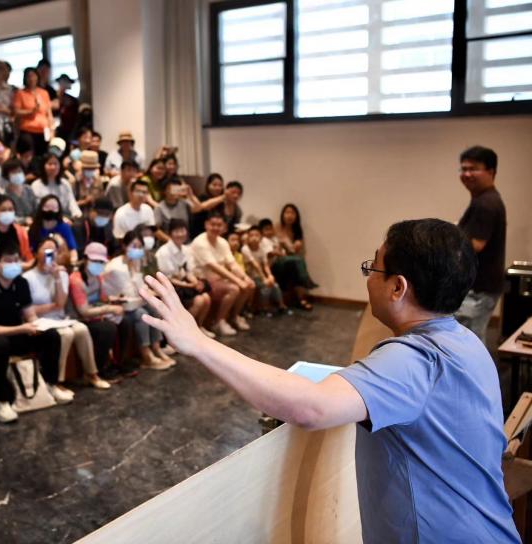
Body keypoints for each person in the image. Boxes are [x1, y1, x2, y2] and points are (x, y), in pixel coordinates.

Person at [138, 218, 520, 543]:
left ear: (397, 287)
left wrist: (198, 342)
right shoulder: (466, 341)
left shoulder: (414, 359)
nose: (368, 280)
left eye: (373, 269)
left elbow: (311, 407)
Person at [0, 238, 68, 424]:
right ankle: (1, 401)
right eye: (8, 261)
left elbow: (30, 315)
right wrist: (22, 328)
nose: (14, 265)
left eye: (16, 260)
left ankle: (51, 385)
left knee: (51, 336)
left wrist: (37, 326)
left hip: (14, 333)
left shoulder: (21, 283)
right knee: (0, 345)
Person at [24, 237, 111, 389]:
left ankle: (91, 373)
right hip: (39, 321)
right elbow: (28, 309)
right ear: (36, 253)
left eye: (53, 250)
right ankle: (57, 381)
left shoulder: (61, 274)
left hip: (60, 318)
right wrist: (51, 307)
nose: (49, 254)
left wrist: (57, 278)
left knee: (81, 329)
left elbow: (61, 303)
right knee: (66, 334)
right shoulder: (27, 278)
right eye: (45, 249)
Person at [454, 146, 506, 345]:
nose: (466, 174)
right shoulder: (483, 199)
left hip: (479, 289)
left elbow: (475, 244)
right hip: (481, 286)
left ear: (491, 171)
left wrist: (448, 237)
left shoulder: (485, 203)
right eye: (463, 169)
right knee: (468, 339)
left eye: (473, 169)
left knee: (468, 342)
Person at [103, 231, 176, 370]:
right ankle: (146, 355)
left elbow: (139, 287)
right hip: (117, 305)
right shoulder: (116, 267)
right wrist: (144, 294)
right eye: (134, 246)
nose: (137, 250)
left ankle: (156, 348)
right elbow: (128, 293)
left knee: (154, 308)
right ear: (124, 246)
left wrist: (150, 292)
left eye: (140, 246)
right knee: (141, 314)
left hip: (133, 303)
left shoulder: (135, 262)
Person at [191, 212, 255, 337]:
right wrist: (238, 281)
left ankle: (234, 317)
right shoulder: (200, 242)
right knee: (234, 288)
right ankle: (219, 322)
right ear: (206, 225)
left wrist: (245, 278)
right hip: (203, 280)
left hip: (220, 280)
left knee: (249, 285)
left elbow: (232, 264)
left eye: (219, 225)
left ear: (224, 227)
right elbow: (215, 267)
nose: (216, 228)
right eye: (213, 224)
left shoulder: (223, 242)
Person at [69, 243, 124, 380]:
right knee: (107, 328)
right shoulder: (76, 280)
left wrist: (115, 300)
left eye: (101, 262)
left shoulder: (98, 277)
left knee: (125, 321)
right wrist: (109, 309)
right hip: (80, 318)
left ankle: (118, 363)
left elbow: (102, 298)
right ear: (85, 259)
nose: (98, 264)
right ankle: (99, 369)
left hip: (97, 313)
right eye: (95, 260)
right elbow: (83, 311)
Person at [155, 218, 214, 338]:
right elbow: (168, 278)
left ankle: (198, 328)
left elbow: (188, 272)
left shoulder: (186, 249)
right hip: (171, 287)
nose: (180, 234)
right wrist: (189, 285)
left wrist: (195, 282)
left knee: (206, 298)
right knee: (199, 300)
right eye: (176, 231)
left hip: (185, 285)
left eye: (182, 230)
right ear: (170, 233)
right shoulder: (163, 252)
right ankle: (184, 332)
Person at [273, 203, 316, 311]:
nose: (289, 215)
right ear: (282, 214)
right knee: (299, 261)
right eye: (287, 212)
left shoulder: (297, 230)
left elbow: (293, 250)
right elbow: (273, 245)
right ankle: (307, 284)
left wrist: (289, 244)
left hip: (289, 260)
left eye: (292, 213)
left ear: (296, 216)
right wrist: (287, 245)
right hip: (277, 260)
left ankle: (301, 299)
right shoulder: (276, 227)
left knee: (297, 264)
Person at [241, 226, 288, 315]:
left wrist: (270, 275)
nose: (254, 238)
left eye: (257, 235)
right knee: (266, 286)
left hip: (259, 275)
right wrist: (264, 278)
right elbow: (255, 265)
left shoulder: (262, 248)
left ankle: (281, 305)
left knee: (275, 285)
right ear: (248, 237)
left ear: (261, 237)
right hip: (249, 275)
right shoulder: (245, 249)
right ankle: (264, 308)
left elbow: (265, 265)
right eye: (251, 235)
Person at [0, 194, 35, 270]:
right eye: (3, 210)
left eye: (10, 210)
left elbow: (28, 256)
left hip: (20, 268)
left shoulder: (20, 231)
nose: (7, 213)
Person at [13, 67, 53, 156]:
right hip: (27, 130)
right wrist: (31, 111)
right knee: (28, 154)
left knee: (42, 155)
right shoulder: (20, 93)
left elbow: (49, 113)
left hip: (43, 130)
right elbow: (16, 112)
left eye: (33, 76)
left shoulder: (44, 93)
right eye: (29, 76)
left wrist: (51, 129)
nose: (31, 78)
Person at [28, 195, 78, 264]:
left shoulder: (64, 227)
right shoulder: (35, 228)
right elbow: (31, 251)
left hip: (60, 264)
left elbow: (73, 251)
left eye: (54, 208)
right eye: (47, 207)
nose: (50, 210)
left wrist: (72, 263)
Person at [30, 153, 82, 220]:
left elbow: (72, 203)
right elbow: (35, 209)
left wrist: (77, 215)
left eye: (55, 164)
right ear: (43, 166)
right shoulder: (36, 185)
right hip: (44, 219)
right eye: (50, 164)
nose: (53, 167)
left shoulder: (65, 183)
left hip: (65, 218)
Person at [0, 158, 36, 224]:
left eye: (19, 171)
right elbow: (5, 215)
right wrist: (24, 220)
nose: (17, 174)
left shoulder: (28, 189)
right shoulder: (3, 194)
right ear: (6, 175)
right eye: (14, 172)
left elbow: (36, 209)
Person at [190, 173, 226, 239]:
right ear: (208, 185)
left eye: (220, 185)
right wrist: (223, 197)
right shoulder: (202, 197)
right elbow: (202, 207)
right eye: (214, 185)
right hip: (199, 233)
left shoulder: (222, 202)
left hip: (215, 234)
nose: (217, 188)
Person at [54, 74, 79, 141]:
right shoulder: (53, 96)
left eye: (65, 82)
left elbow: (75, 118)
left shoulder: (72, 100)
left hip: (68, 130)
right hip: (54, 127)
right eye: (62, 82)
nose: (64, 84)